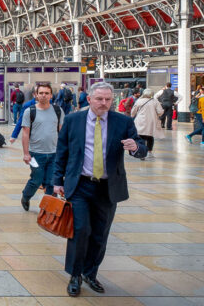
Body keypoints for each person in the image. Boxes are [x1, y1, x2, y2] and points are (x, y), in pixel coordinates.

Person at [53, 82, 146, 297]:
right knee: (80, 230)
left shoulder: (123, 121)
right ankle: (75, 275)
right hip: (80, 185)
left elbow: (141, 147)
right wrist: (57, 180)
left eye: (108, 99)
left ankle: (90, 273)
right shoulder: (73, 120)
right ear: (89, 99)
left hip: (107, 188)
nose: (104, 103)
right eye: (99, 99)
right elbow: (62, 152)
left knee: (100, 234)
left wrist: (136, 148)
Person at [20, 83, 62, 211]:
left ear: (51, 95)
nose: (44, 95)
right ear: (36, 95)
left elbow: (61, 132)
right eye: (41, 93)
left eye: (46, 93)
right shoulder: (30, 111)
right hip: (36, 154)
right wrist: (26, 153)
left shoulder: (58, 111)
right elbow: (25, 133)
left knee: (51, 182)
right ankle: (26, 196)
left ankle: (48, 208)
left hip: (54, 153)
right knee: (36, 180)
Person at [131, 89, 163, 160]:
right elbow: (160, 112)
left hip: (140, 121)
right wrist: (155, 114)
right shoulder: (155, 101)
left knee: (141, 137)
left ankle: (142, 153)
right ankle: (149, 152)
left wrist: (132, 116)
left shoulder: (139, 101)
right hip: (151, 121)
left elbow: (133, 112)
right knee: (150, 137)